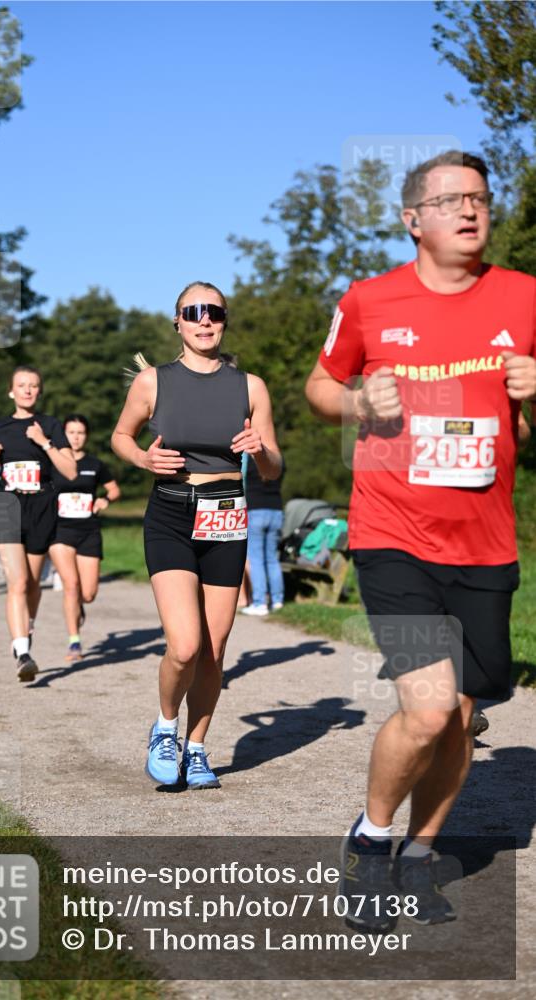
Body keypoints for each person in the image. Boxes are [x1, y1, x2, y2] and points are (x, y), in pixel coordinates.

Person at [305, 150, 536, 928]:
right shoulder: (369, 300)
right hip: (390, 537)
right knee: (431, 708)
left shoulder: (523, 295)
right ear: (412, 219)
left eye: (479, 198)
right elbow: (317, 386)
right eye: (450, 200)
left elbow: (520, 428)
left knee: (461, 713)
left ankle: (417, 854)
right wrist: (354, 402)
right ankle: (368, 845)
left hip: (484, 545)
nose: (469, 210)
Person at [111, 281, 282, 789]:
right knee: (184, 646)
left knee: (214, 648)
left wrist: (260, 450)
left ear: (224, 320)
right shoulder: (152, 382)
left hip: (227, 516)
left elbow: (273, 468)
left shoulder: (251, 387)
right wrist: (143, 458)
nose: (204, 320)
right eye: (194, 312)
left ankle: (198, 746)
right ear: (178, 322)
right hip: (171, 513)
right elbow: (121, 436)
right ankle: (165, 729)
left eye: (214, 312)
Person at [0, 365, 76, 681]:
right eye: (21, 385)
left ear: (39, 391)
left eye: (33, 385)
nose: (27, 390)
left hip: (41, 505)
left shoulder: (50, 425)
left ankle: (26, 629)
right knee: (19, 582)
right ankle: (22, 653)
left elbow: (70, 471)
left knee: (33, 584)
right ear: (11, 391)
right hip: (8, 504)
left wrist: (44, 442)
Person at [49, 414, 121, 661]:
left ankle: (78, 605)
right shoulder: (54, 463)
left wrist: (105, 499)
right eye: (71, 432)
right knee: (71, 585)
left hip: (88, 530)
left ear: (86, 436)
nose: (76, 437)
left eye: (80, 433)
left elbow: (114, 489)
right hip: (60, 531)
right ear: (63, 435)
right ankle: (74, 642)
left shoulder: (95, 464)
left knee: (88, 594)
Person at [241, 456, 285, 616]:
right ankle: (277, 600)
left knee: (256, 559)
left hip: (255, 510)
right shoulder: (278, 458)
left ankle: (260, 603)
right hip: (276, 511)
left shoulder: (249, 458)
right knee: (272, 558)